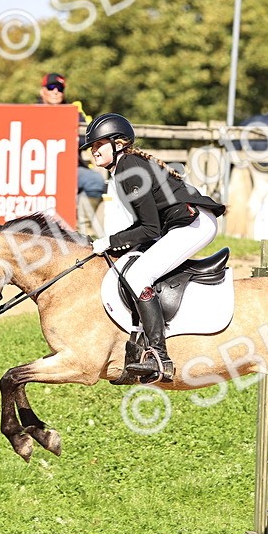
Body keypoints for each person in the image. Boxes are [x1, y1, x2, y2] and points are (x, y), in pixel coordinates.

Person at [81, 114, 227, 384]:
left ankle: (158, 356)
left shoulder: (128, 168)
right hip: (182, 223)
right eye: (91, 146)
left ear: (118, 143)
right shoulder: (125, 167)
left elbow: (149, 229)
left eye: (98, 144)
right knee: (131, 264)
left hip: (194, 224)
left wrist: (109, 242)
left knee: (138, 276)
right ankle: (135, 347)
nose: (93, 150)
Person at [39, 72, 107, 231]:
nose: (56, 91)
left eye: (60, 88)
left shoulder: (74, 112)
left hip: (69, 168)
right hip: (37, 170)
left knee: (95, 181)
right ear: (42, 91)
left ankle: (82, 229)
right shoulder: (32, 111)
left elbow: (86, 140)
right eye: (51, 87)